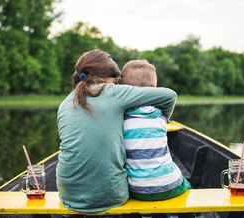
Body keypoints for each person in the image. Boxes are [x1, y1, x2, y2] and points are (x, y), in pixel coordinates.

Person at [56, 50, 177, 213]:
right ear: (110, 78)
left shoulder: (65, 103)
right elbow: (169, 95)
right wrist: (160, 119)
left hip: (68, 195)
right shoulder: (113, 91)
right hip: (111, 196)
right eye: (117, 81)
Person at [121, 60, 191, 203]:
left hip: (137, 189)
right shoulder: (160, 116)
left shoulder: (121, 120)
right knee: (186, 186)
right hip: (169, 186)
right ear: (154, 89)